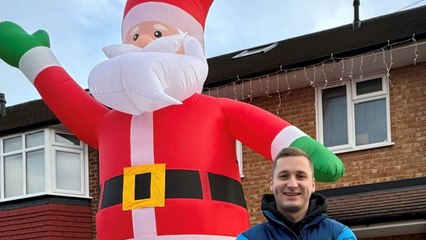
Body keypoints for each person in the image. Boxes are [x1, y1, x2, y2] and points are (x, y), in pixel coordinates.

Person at [237, 147, 357, 240]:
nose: (292, 185)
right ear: (272, 184)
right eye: (284, 176)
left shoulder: (340, 236)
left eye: (301, 176)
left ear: (313, 185)